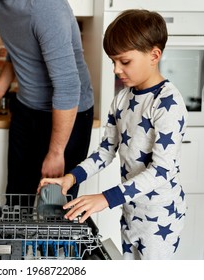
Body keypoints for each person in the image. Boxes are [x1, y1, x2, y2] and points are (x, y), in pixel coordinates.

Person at [39, 9, 188, 260]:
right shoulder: (122, 99)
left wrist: (106, 198)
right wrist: (71, 179)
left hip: (160, 217)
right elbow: (106, 151)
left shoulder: (167, 103)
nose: (116, 69)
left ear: (154, 55)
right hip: (131, 210)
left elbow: (162, 170)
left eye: (124, 61)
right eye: (113, 62)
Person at [0, 0, 95, 205]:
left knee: (53, 206)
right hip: (26, 109)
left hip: (66, 115)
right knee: (16, 198)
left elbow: (68, 87)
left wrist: (56, 152)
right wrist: (1, 86)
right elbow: (20, 46)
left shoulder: (45, 6)